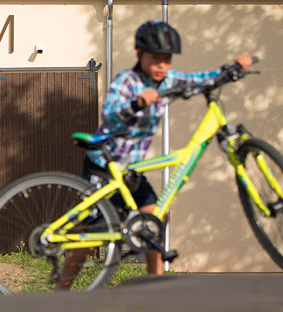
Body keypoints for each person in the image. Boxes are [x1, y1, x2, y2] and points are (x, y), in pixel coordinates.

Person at [57, 20, 252, 289]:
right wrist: (137, 102)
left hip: (132, 173)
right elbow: (110, 113)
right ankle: (60, 291)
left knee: (157, 217)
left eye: (167, 60)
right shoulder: (127, 80)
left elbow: (197, 80)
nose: (162, 65)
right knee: (93, 238)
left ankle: (154, 282)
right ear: (139, 54)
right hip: (106, 167)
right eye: (155, 59)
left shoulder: (168, 81)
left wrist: (232, 69)